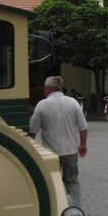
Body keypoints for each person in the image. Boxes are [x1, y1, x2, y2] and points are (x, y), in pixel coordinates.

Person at [29, 76, 88, 204]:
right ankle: (75, 210)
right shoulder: (73, 102)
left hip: (51, 154)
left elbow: (33, 130)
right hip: (71, 151)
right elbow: (83, 127)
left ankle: (58, 208)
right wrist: (83, 144)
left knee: (53, 182)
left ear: (47, 89)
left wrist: (30, 147)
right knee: (72, 181)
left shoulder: (42, 105)